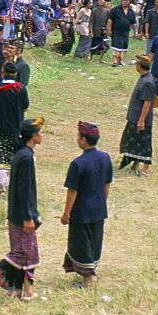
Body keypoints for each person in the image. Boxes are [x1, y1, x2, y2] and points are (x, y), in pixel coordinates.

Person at [0, 117, 44, 301]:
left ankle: (25, 290)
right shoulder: (26, 157)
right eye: (40, 132)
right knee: (23, 253)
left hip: (17, 211)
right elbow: (24, 189)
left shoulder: (21, 153)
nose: (42, 135)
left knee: (29, 253)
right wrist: (29, 216)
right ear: (33, 136)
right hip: (23, 214)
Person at [60, 121, 112, 289]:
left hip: (81, 210)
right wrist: (102, 202)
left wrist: (66, 213)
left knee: (81, 243)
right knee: (95, 241)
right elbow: (107, 184)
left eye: (78, 136)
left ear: (83, 140)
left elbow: (72, 191)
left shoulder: (78, 163)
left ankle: (87, 280)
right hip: (98, 208)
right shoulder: (105, 158)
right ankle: (91, 273)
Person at [0, 62, 29, 199]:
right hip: (17, 128)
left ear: (3, 73)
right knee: (15, 157)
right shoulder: (21, 88)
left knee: (1, 157)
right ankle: (16, 187)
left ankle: (3, 188)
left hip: (0, 127)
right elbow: (25, 108)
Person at [119, 55, 155, 176]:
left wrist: (141, 120)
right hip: (135, 116)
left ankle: (145, 169)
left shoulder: (148, 82)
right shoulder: (143, 78)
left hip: (142, 118)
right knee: (133, 140)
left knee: (144, 143)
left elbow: (147, 102)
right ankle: (135, 164)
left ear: (139, 66)